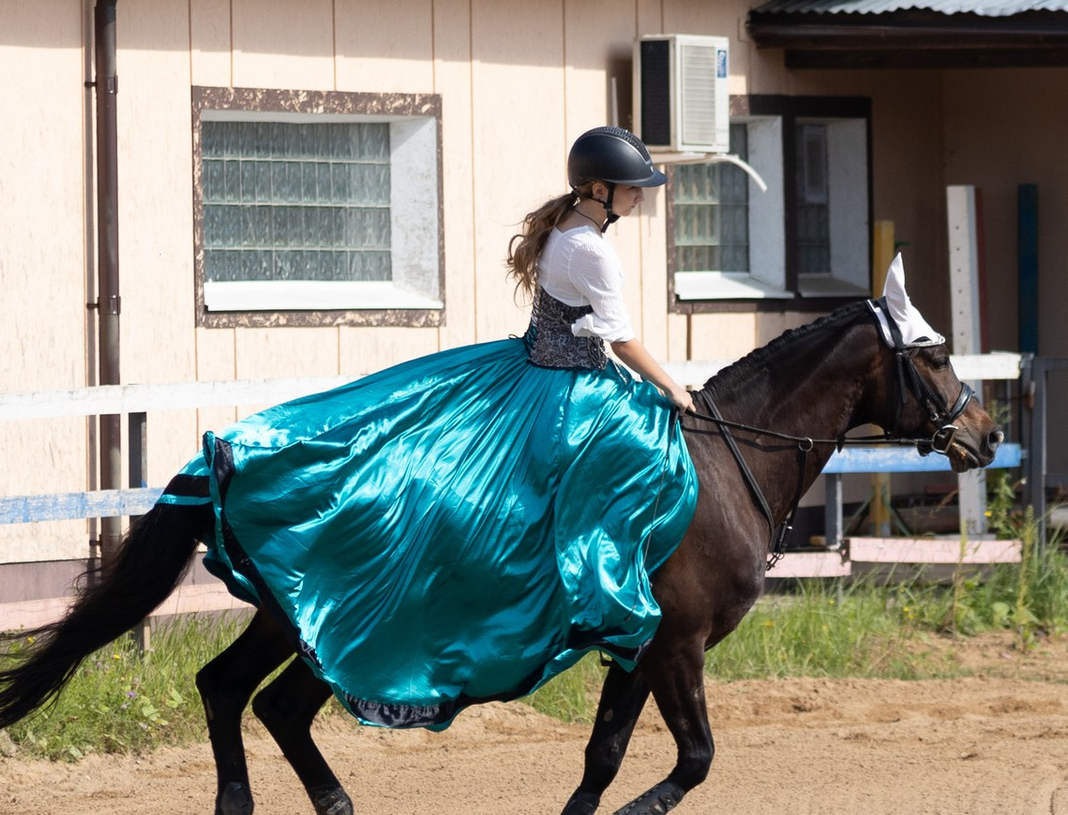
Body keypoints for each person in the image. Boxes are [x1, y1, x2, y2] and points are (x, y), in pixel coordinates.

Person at [171, 125, 701, 729]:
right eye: (632, 190)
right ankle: (603, 606)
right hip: (567, 390)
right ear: (600, 189)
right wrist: (671, 387)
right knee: (638, 465)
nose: (640, 198)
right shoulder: (593, 249)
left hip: (528, 369)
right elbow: (619, 336)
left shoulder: (566, 229)